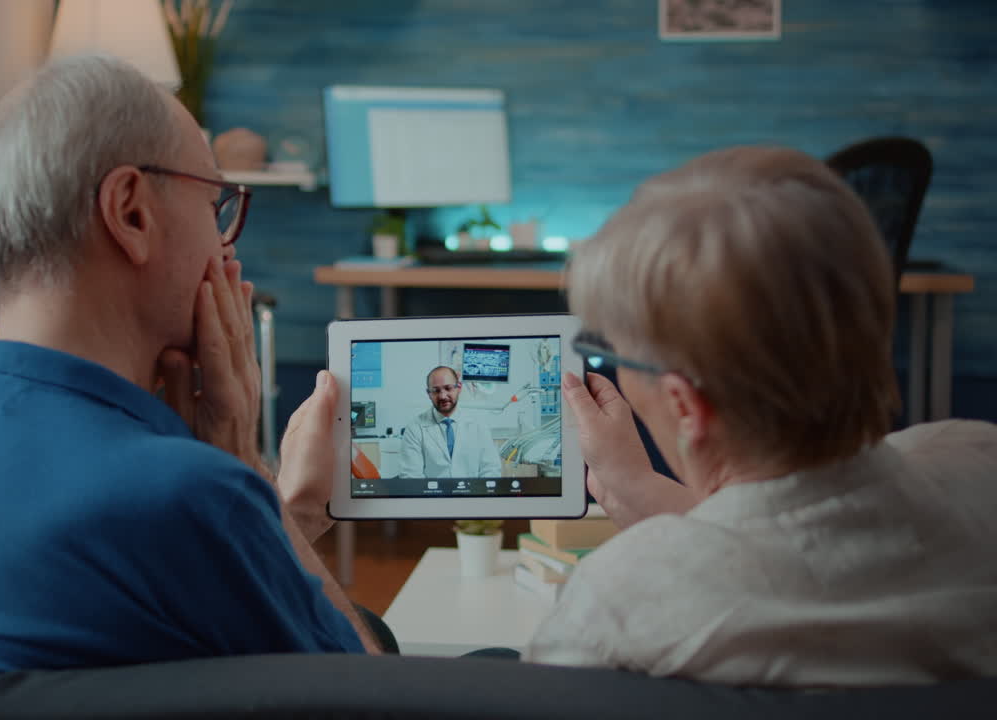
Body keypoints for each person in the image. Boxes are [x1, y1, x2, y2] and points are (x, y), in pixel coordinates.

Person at [0, 54, 380, 670]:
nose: (228, 255)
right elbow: (371, 690)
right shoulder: (191, 497)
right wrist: (249, 471)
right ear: (130, 212)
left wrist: (268, 515)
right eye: (215, 207)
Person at [525, 145, 997, 687]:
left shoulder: (618, 598)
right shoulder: (981, 460)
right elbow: (798, 528)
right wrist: (637, 485)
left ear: (684, 405)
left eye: (616, 352)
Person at [400, 366, 503, 480]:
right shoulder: (415, 428)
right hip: (430, 491)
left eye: (448, 388)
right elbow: (411, 476)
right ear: (429, 393)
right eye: (436, 391)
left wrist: (478, 491)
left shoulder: (478, 424)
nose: (443, 396)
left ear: (459, 387)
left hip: (473, 491)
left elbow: (491, 469)